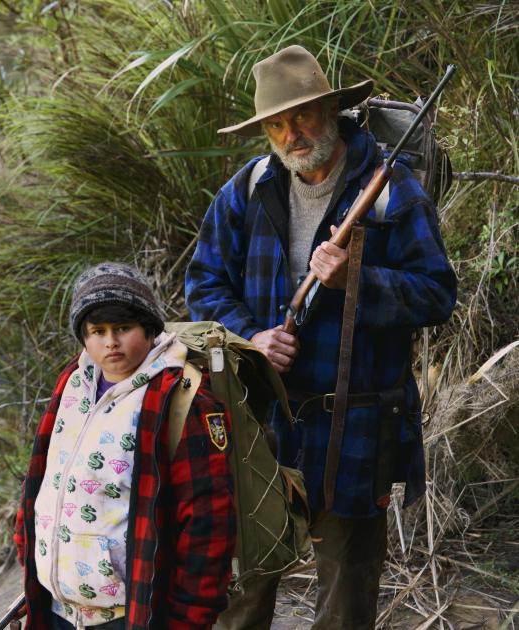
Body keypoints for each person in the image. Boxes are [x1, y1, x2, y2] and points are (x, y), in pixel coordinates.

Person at [186, 46, 457, 629]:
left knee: (345, 601)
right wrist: (250, 336)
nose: (292, 134)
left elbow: (438, 293)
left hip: (357, 423)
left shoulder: (391, 187)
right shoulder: (249, 188)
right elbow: (203, 283)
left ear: (333, 108)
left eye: (303, 116)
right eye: (277, 124)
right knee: (242, 594)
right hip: (264, 422)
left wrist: (358, 278)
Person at [14, 262, 236, 630]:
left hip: (127, 615)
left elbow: (208, 523)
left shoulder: (180, 400)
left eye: (123, 328)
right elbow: (44, 474)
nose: (110, 342)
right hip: (57, 610)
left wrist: (189, 619)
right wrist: (30, 553)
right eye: (97, 331)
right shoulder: (73, 382)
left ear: (149, 328)